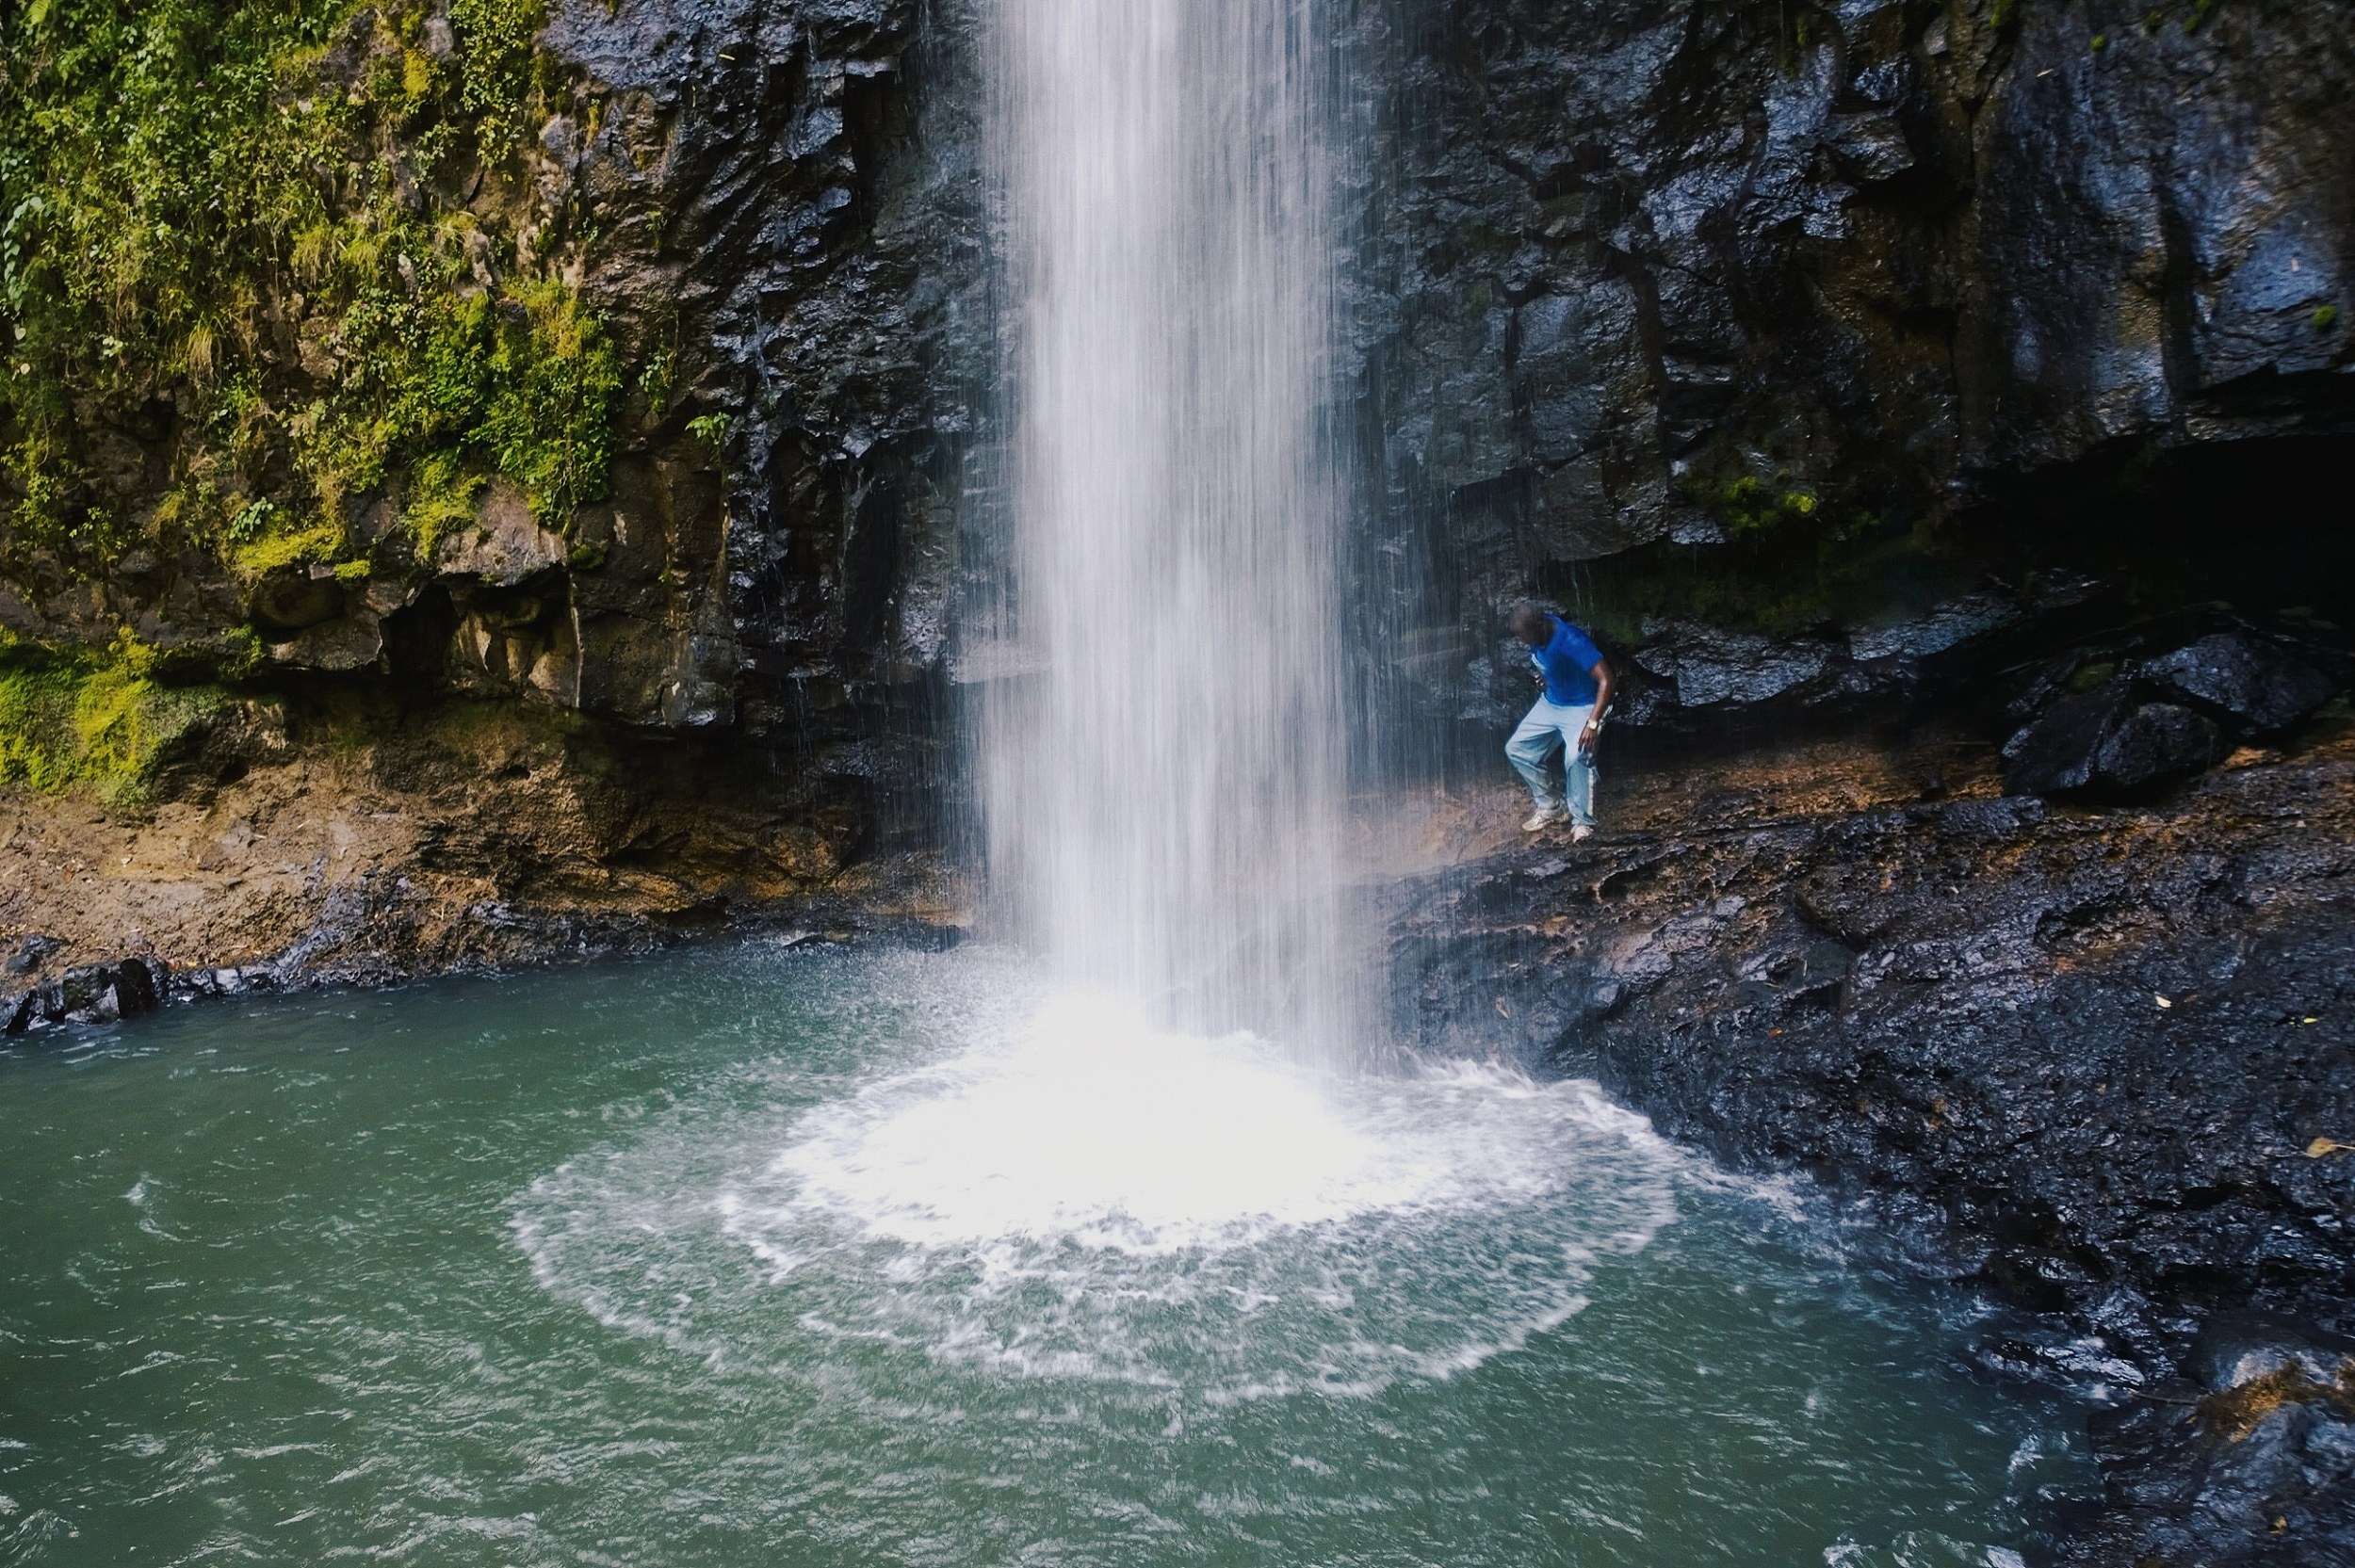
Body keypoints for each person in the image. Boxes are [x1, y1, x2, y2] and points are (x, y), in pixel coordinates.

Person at [1503, 601, 1615, 840]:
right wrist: (1546, 680)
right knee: (1517, 749)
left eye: (1525, 635)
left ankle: (1582, 823)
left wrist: (1593, 723)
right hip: (1552, 703)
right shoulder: (1538, 633)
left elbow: (1607, 679)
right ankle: (1552, 807)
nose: (1522, 641)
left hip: (1583, 706)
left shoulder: (1571, 640)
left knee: (1577, 756)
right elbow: (1550, 665)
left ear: (1540, 625)